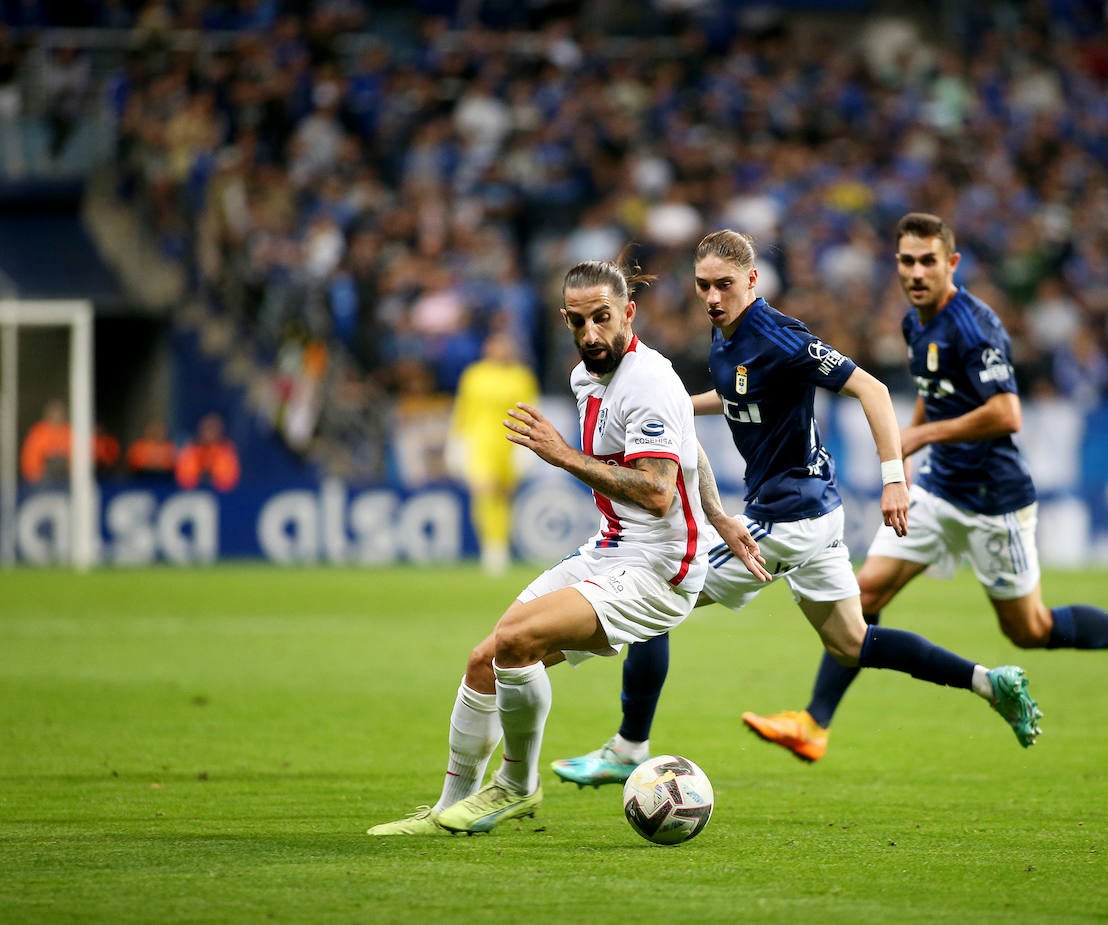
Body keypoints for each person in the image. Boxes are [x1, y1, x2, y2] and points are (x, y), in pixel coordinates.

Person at [550, 229, 1043, 788]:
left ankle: (628, 747)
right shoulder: (725, 334)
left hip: (789, 517)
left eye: (726, 285)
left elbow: (875, 391)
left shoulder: (779, 335)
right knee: (852, 642)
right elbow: (740, 392)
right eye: (704, 285)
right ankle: (989, 682)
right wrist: (677, 405)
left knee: (659, 589)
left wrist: (894, 479)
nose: (713, 297)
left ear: (753, 281)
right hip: (812, 512)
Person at [741, 212, 1108, 763]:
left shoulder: (974, 324)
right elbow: (931, 392)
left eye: (928, 261)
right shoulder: (915, 323)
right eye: (907, 262)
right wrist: (902, 454)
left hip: (993, 500)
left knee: (1030, 628)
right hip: (938, 489)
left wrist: (924, 434)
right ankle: (814, 723)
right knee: (865, 596)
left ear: (950, 263)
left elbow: (1008, 413)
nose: (916, 272)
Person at [366, 258, 760, 837]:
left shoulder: (648, 380)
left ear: (628, 312)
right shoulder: (584, 377)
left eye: (603, 318)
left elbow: (654, 492)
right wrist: (719, 513)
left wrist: (561, 456)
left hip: (660, 570)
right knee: (486, 659)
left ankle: (516, 787)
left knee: (517, 641)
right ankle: (447, 809)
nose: (592, 334)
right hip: (610, 549)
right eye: (579, 322)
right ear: (565, 320)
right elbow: (690, 444)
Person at [446, 330, 540, 574]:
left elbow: (531, 411)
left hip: (511, 443)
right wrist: (456, 442)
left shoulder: (522, 376)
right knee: (484, 491)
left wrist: (530, 446)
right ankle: (492, 547)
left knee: (504, 495)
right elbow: (463, 409)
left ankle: (500, 542)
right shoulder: (474, 375)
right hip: (480, 441)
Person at [174, 413, 241, 492]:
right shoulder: (190, 450)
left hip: (221, 495)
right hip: (192, 494)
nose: (209, 432)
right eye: (207, 428)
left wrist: (210, 476)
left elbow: (228, 479)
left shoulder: (227, 451)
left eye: (213, 429)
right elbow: (184, 477)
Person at [20, 398, 72, 485]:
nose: (57, 416)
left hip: (67, 479)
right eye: (53, 413)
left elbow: (78, 459)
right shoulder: (37, 433)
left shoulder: (70, 432)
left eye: (60, 413)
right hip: (42, 481)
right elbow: (29, 463)